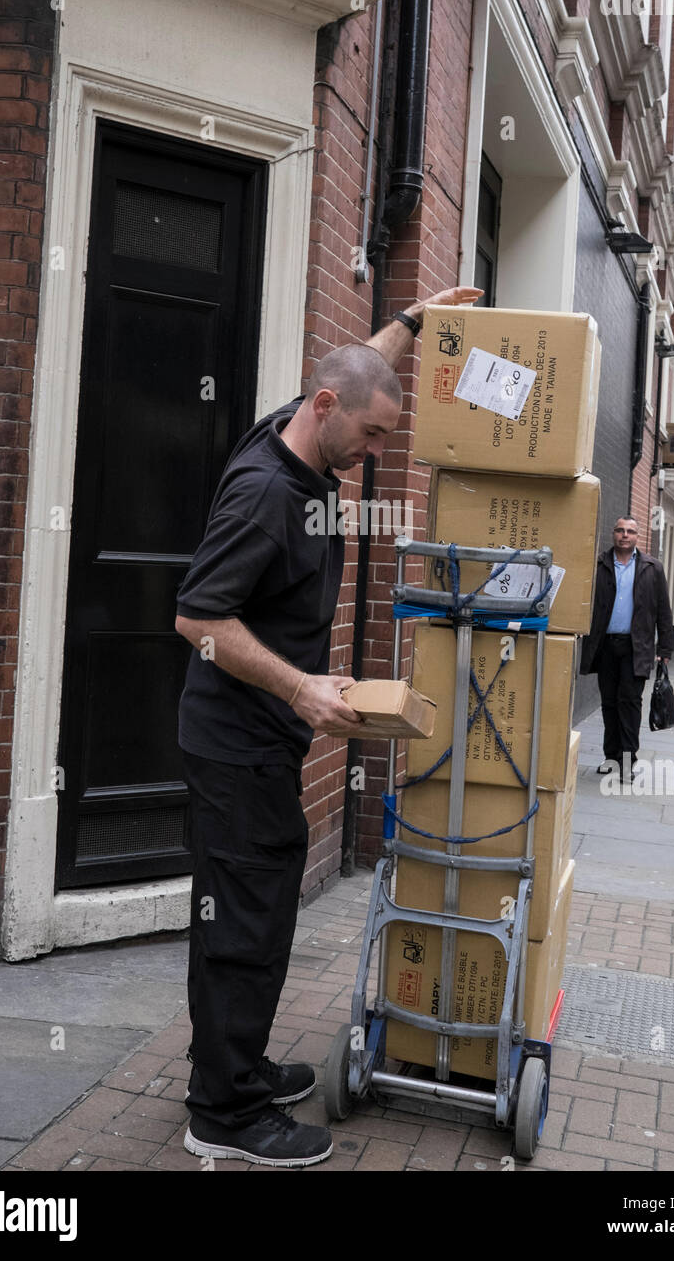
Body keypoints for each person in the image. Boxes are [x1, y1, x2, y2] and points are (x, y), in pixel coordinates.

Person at [173, 283, 483, 1167]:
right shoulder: (267, 493)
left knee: (245, 910)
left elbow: (361, 371)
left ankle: (231, 1066)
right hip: (238, 745)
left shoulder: (301, 429)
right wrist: (302, 688)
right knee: (247, 922)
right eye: (375, 435)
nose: (379, 450)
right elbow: (197, 618)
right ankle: (223, 1115)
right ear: (325, 410)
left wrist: (414, 321)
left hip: (255, 740)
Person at [580, 516, 674, 781]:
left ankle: (627, 762)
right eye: (620, 530)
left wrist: (665, 649)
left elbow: (664, 612)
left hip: (637, 647)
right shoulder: (598, 564)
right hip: (605, 646)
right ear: (613, 533)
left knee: (630, 704)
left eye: (630, 531)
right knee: (609, 704)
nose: (625, 535)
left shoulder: (652, 568)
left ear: (637, 537)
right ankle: (610, 758)